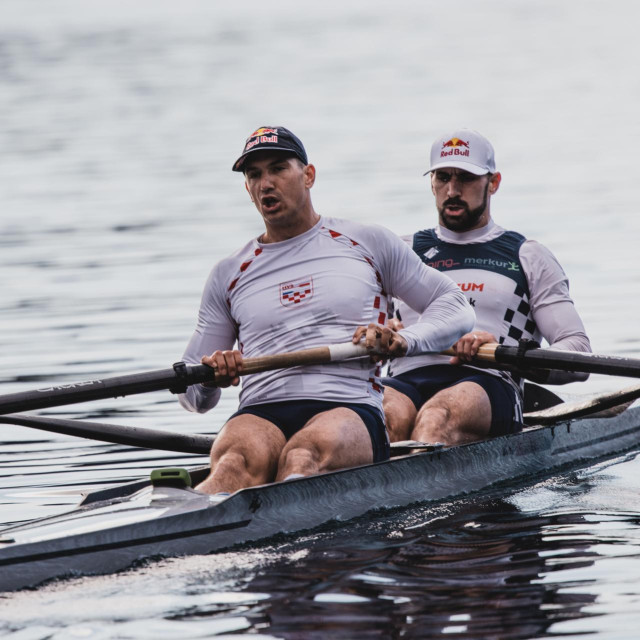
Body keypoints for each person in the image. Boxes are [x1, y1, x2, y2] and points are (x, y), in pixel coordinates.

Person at [178, 126, 475, 494]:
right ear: (246, 188)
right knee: (232, 466)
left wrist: (404, 341)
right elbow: (191, 396)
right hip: (261, 411)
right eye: (254, 175)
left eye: (278, 169)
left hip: (347, 405)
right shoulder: (228, 273)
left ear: (308, 175)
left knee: (303, 457)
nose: (265, 183)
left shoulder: (367, 242)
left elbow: (456, 307)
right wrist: (209, 378)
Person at [384, 128, 591, 446]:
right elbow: (352, 330)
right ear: (432, 182)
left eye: (465, 178)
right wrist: (376, 330)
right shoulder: (400, 253)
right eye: (442, 177)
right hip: (405, 380)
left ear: (493, 183)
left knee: (435, 420)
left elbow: (577, 352)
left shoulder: (527, 256)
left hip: (489, 380)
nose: (452, 190)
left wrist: (512, 356)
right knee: (386, 420)